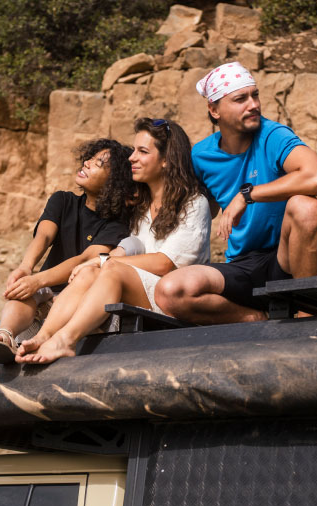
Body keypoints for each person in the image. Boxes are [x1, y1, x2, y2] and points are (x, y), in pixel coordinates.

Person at [16, 117, 211, 364]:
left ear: (166, 160)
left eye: (143, 151)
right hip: (143, 290)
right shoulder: (141, 210)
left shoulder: (194, 204)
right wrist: (96, 264)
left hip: (175, 296)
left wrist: (103, 263)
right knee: (88, 274)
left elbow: (164, 264)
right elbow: (130, 249)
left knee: (112, 270)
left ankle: (65, 340)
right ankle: (43, 336)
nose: (132, 158)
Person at [154, 62, 317, 324]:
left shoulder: (273, 135)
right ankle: (256, 318)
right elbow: (203, 208)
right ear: (214, 110)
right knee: (170, 292)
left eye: (255, 95)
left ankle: (307, 316)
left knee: (307, 207)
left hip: (288, 258)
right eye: (240, 99)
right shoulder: (201, 156)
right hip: (243, 263)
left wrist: (247, 195)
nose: (253, 104)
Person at [0, 138, 133, 363]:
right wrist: (26, 268)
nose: (87, 163)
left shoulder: (116, 225)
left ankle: (41, 337)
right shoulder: (63, 200)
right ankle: (4, 336)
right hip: (46, 288)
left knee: (35, 288)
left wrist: (38, 280)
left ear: (115, 182)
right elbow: (44, 235)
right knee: (24, 290)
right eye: (89, 157)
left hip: (79, 294)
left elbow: (85, 259)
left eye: (99, 163)